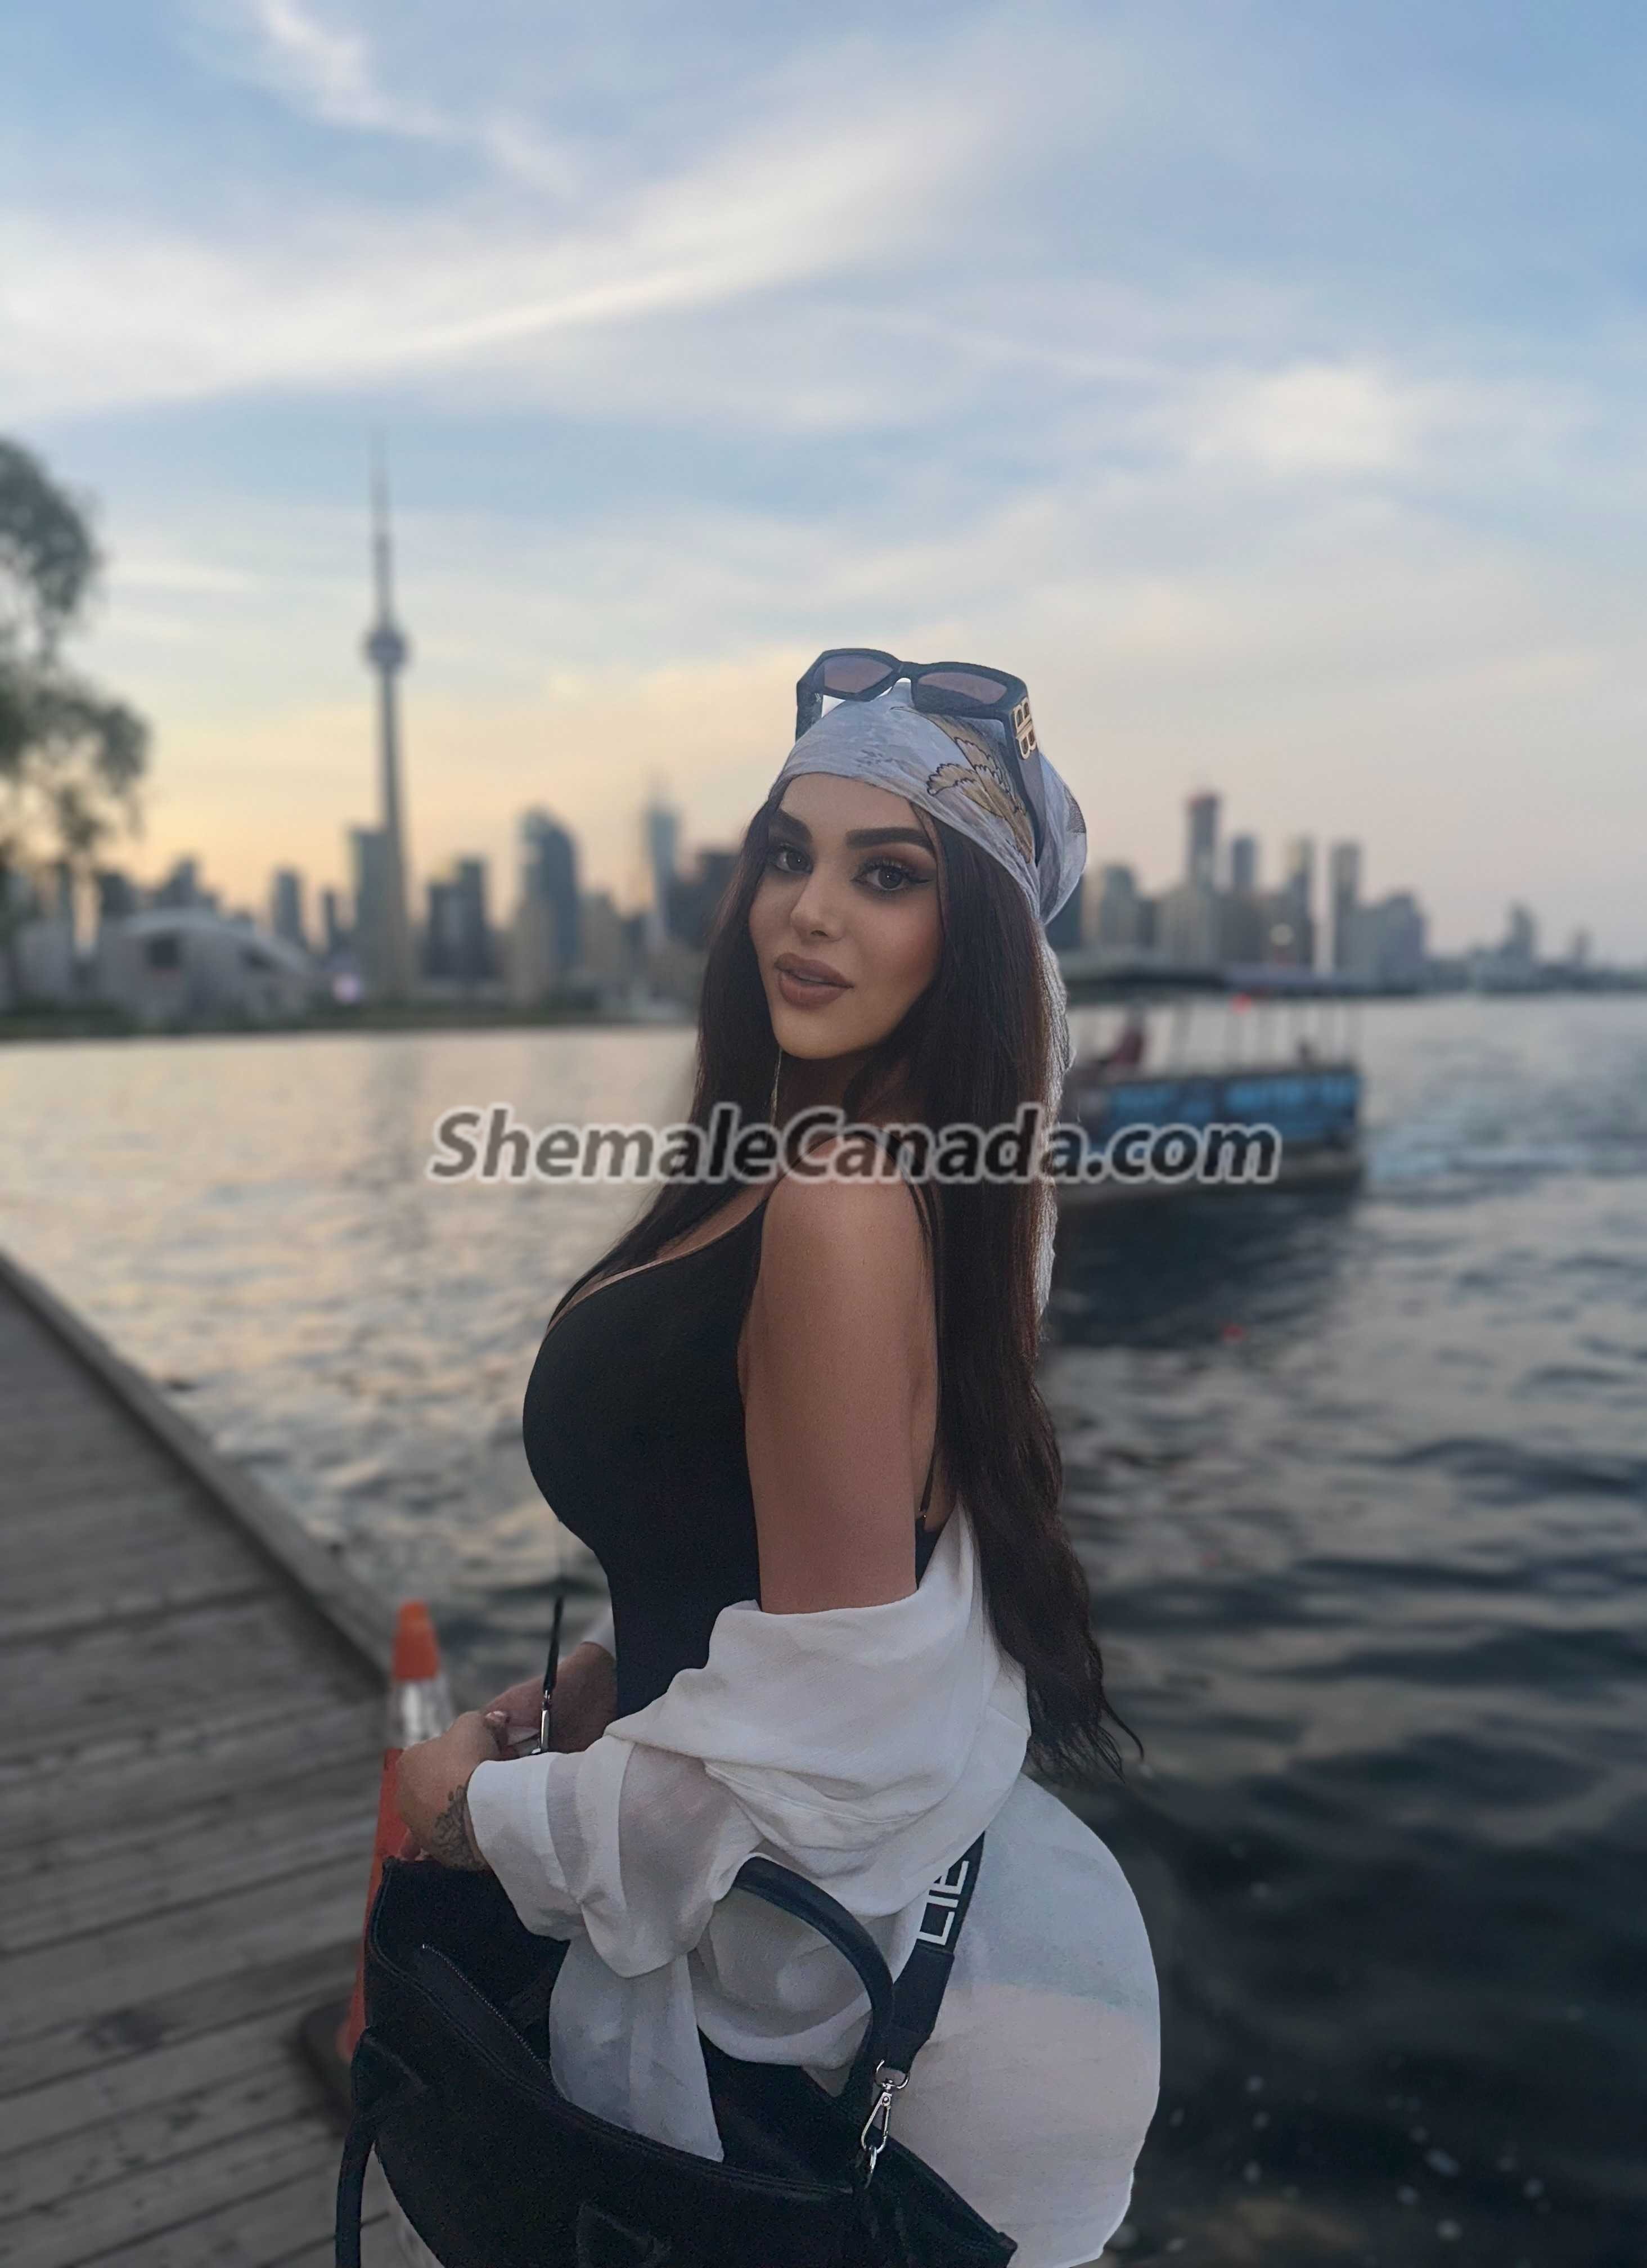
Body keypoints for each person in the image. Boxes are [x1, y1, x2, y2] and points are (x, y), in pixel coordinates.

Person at [392, 668, 1162, 2266]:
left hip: (812, 2009)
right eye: (787, 854)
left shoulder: (843, 1202)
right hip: (811, 1919)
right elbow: (774, 1555)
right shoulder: (810, 1163)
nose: (808, 911)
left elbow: (828, 1751)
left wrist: (478, 1814)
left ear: (973, 941)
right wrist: (601, 1682)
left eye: (888, 875)